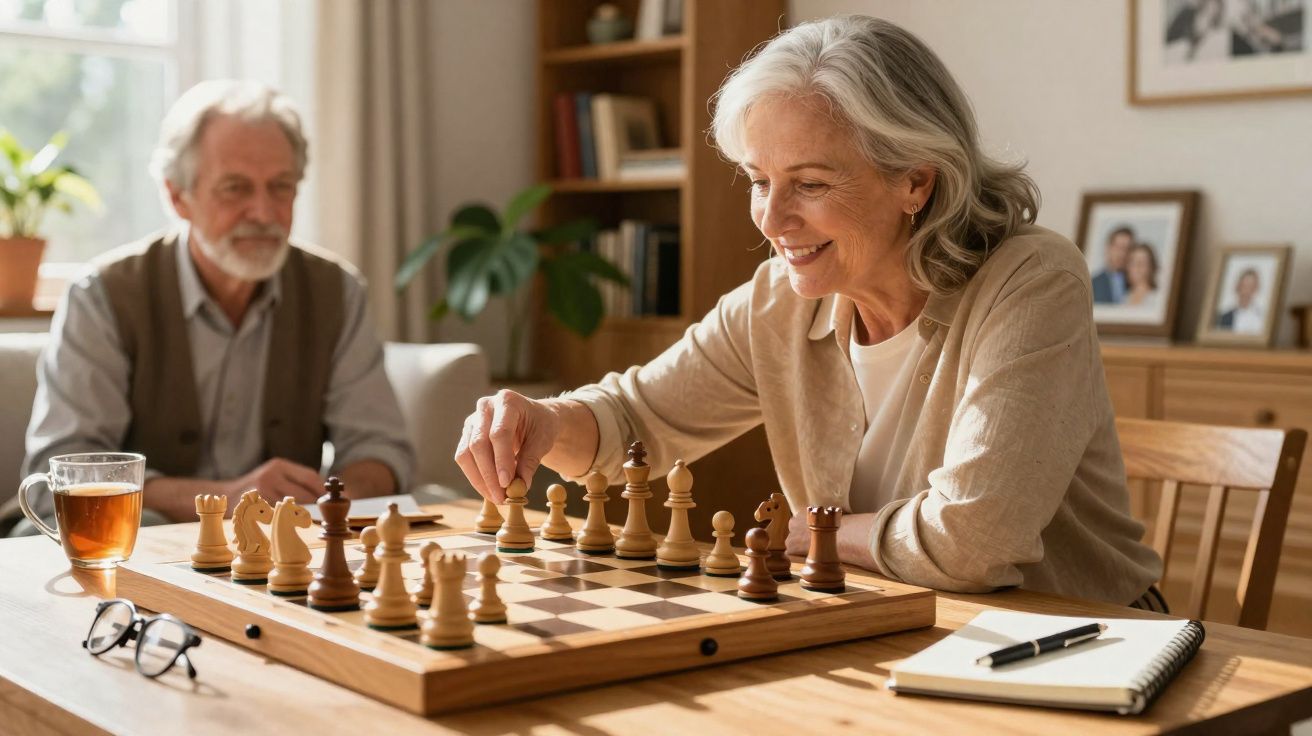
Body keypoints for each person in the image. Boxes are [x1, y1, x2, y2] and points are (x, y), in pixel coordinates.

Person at [455, 16, 1163, 608]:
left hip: (1077, 649)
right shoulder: (778, 304)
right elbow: (634, 424)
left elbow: (976, 541)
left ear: (916, 180)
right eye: (759, 181)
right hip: (895, 633)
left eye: (810, 183)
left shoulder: (1031, 281)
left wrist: (818, 534)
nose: (772, 217)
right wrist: (545, 423)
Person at [23, 80, 415, 525]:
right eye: (235, 188)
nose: (264, 213)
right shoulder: (103, 295)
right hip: (147, 537)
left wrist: (334, 500)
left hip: (285, 545)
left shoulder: (337, 292)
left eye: (281, 187)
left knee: (432, 503)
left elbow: (380, 450)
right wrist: (225, 498)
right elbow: (65, 470)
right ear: (177, 196)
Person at [1091, 226, 1134, 305]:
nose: (1122, 254)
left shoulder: (1135, 282)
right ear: (1108, 248)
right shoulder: (1093, 283)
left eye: (1127, 249)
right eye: (1118, 248)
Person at [1216, 268, 1264, 333]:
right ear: (1238, 287)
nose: (1246, 291)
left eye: (1250, 286)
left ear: (1255, 289)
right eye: (1244, 286)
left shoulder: (1261, 318)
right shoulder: (1223, 318)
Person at [1123, 242, 1160, 309]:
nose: (1137, 267)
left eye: (1142, 263)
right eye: (1133, 262)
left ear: (1151, 267)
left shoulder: (1157, 299)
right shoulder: (1123, 299)